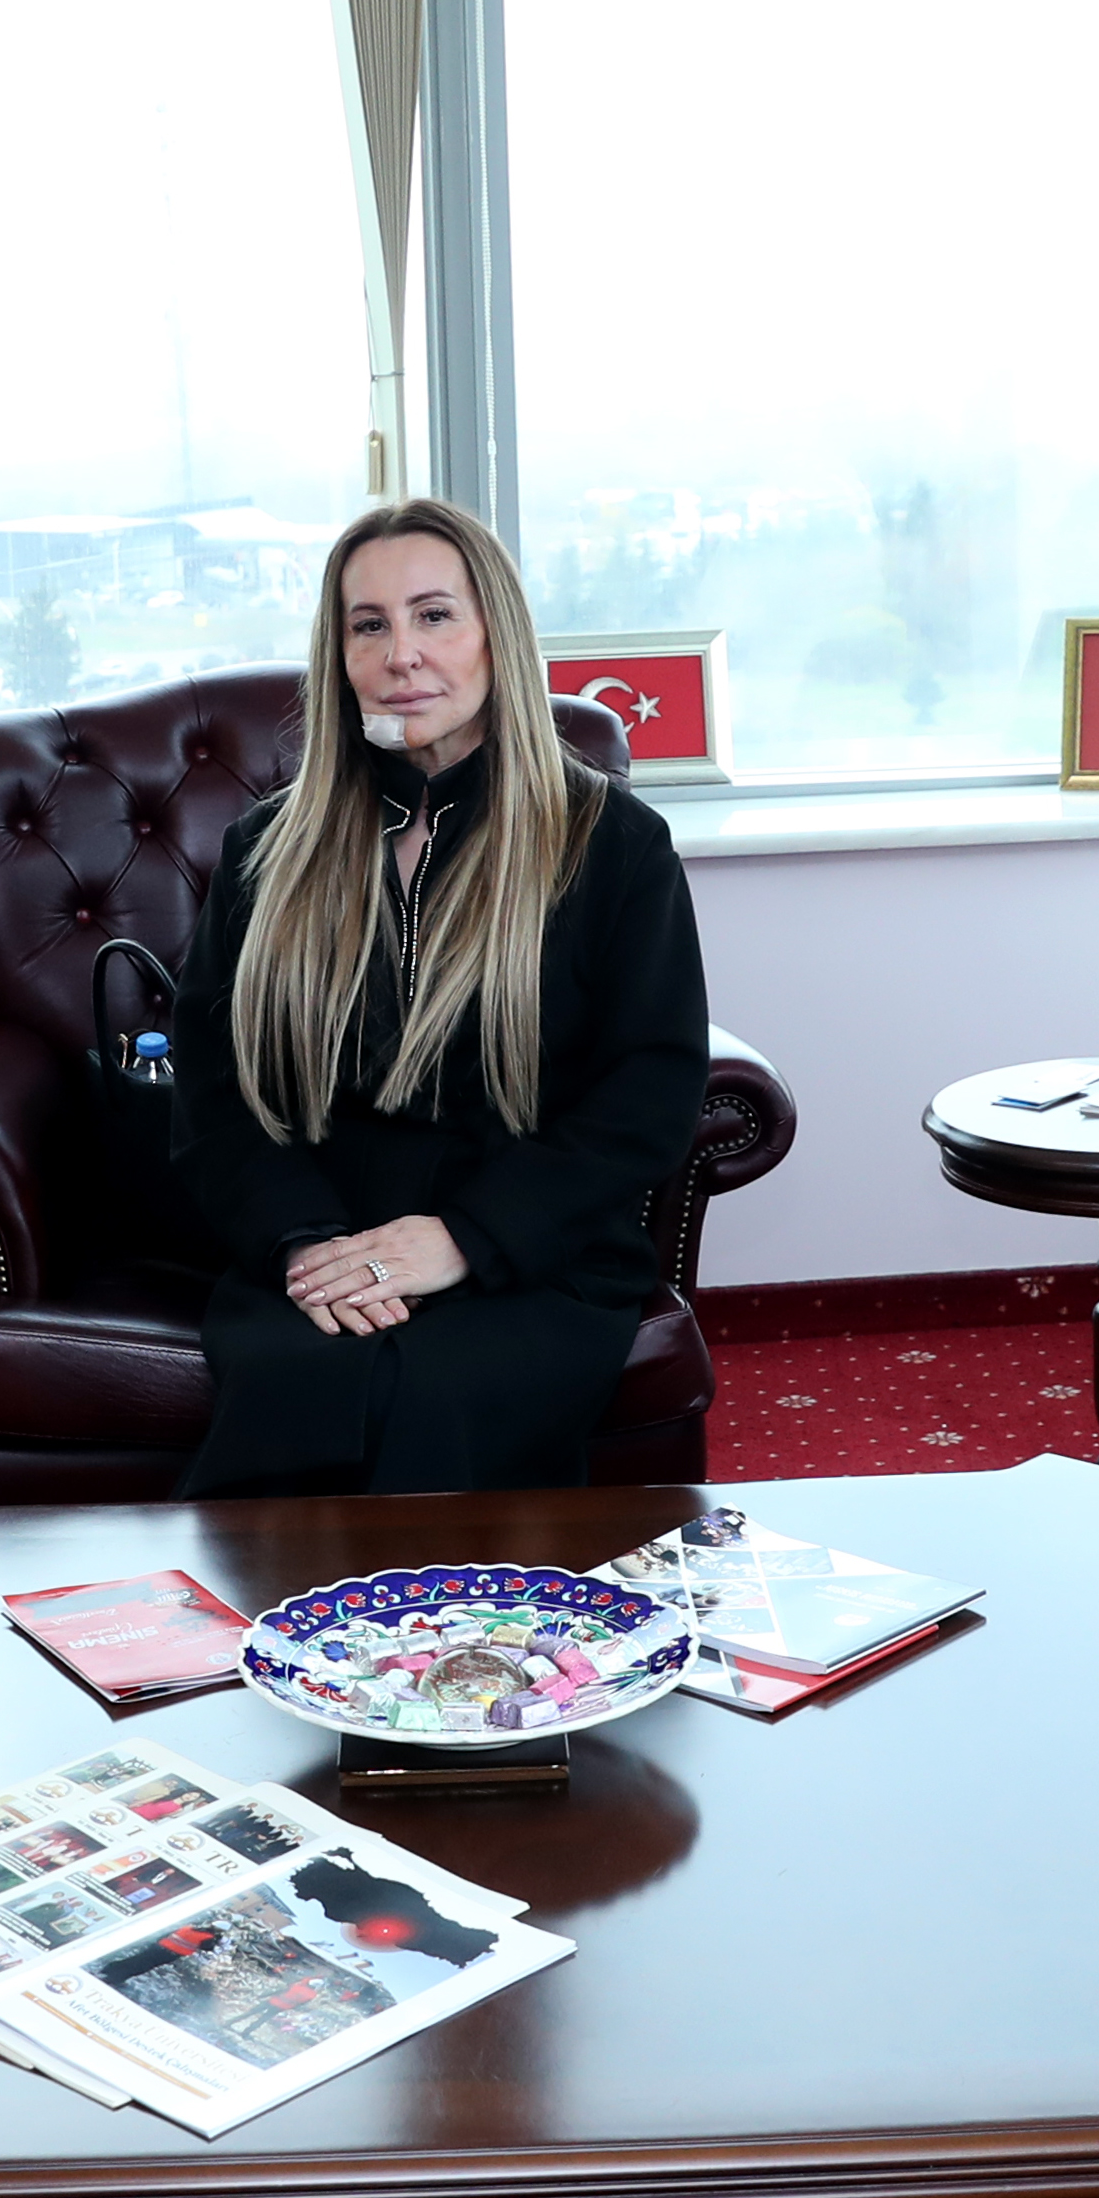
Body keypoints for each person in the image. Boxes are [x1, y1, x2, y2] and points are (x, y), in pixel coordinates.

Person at [168, 496, 705, 1494]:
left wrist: (466, 1239)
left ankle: (471, 1655)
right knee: (306, 1382)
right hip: (317, 1244)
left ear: (495, 636)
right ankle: (258, 1648)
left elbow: (651, 1090)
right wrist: (308, 1243)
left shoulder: (613, 843)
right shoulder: (265, 850)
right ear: (340, 658)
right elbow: (214, 1088)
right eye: (369, 625)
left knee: (437, 1392)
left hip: (532, 1253)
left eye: (433, 615)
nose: (402, 653)